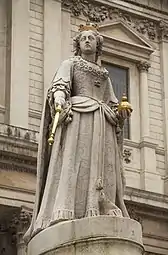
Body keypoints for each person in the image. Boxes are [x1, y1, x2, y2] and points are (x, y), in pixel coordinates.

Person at [24, 23, 131, 243]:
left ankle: (101, 202)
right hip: (79, 119)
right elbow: (59, 86)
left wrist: (120, 112)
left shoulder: (104, 73)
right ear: (78, 43)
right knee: (76, 160)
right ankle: (67, 208)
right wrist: (60, 99)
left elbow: (110, 102)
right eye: (83, 38)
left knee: (102, 164)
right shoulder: (70, 63)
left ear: (98, 44)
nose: (87, 41)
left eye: (92, 38)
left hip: (102, 122)